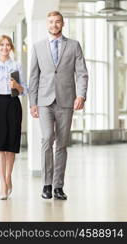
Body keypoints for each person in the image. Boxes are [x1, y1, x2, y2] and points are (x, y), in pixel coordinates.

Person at [29, 11, 88, 200]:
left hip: (66, 100)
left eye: (57, 22)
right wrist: (33, 102)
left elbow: (82, 73)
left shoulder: (74, 46)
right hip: (44, 101)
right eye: (51, 22)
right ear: (47, 25)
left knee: (61, 144)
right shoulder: (38, 47)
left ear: (62, 24)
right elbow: (33, 76)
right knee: (47, 138)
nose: (54, 25)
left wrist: (81, 95)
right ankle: (46, 184)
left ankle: (58, 186)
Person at [0, 35, 27, 200]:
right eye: (1, 45)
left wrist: (17, 86)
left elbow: (25, 90)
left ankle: (8, 177)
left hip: (13, 104)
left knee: (11, 145)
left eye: (8, 45)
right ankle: (2, 183)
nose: (5, 48)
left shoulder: (17, 66)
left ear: (11, 48)